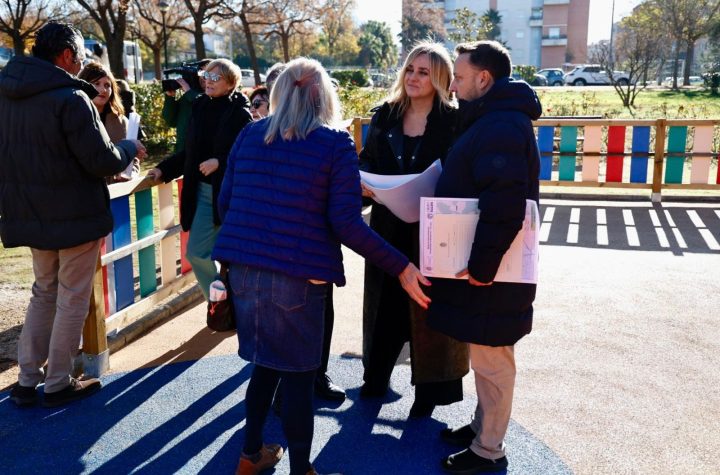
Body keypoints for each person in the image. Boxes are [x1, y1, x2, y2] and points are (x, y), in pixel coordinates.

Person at [212, 57, 431, 475]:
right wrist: (401, 265)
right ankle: (301, 469)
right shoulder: (334, 142)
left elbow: (227, 203)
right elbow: (346, 223)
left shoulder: (250, 134)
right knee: (297, 378)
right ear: (323, 95)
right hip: (298, 278)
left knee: (264, 367)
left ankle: (250, 454)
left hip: (245, 272)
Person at [0, 21, 146, 408]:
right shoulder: (71, 97)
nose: (84, 62)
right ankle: (58, 381)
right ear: (66, 55)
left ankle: (27, 379)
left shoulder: (8, 94)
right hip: (74, 214)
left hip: (28, 213)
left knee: (42, 293)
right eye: (82, 55)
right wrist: (129, 147)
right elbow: (101, 160)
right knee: (71, 298)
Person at [427, 41, 541, 474]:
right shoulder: (493, 120)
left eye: (457, 76)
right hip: (493, 265)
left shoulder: (500, 126)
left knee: (493, 359)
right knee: (485, 351)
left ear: (484, 78)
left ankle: (489, 449)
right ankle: (481, 428)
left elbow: (505, 204)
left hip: (497, 270)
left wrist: (481, 267)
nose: (452, 84)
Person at [358, 41, 468, 418]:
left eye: (424, 72)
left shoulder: (454, 121)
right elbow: (367, 162)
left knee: (429, 311)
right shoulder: (385, 116)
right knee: (384, 306)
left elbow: (464, 175)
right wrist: (366, 185)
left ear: (440, 79)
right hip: (388, 227)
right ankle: (375, 378)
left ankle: (430, 393)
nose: (414, 77)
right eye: (410, 69)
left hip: (435, 232)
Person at [148, 59, 252, 301]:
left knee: (233, 257)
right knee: (197, 254)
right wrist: (164, 169)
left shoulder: (240, 114)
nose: (208, 80)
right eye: (207, 74)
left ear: (231, 84)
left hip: (231, 195)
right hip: (203, 193)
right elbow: (190, 152)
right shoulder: (199, 106)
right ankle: (221, 303)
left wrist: (219, 161)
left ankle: (231, 306)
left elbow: (248, 154)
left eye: (216, 77)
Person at [79, 62, 141, 182]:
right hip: (84, 191)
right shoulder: (73, 117)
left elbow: (134, 160)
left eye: (107, 85)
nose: (103, 89)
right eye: (96, 84)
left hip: (116, 192)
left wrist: (130, 174)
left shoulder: (122, 121)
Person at [162, 58, 211, 152]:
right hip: (183, 151)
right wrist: (170, 98)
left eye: (208, 75)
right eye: (202, 74)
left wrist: (189, 92)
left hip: (203, 153)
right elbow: (171, 121)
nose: (205, 79)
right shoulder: (188, 97)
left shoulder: (216, 97)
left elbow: (205, 107)